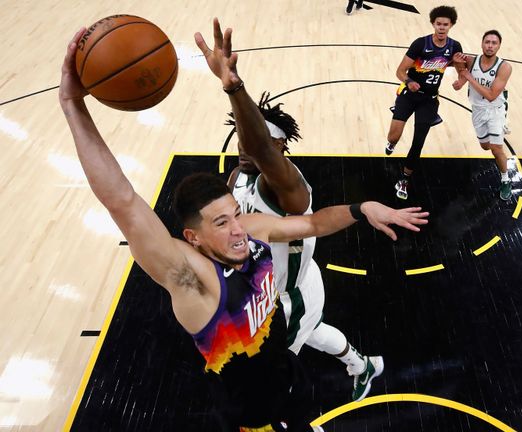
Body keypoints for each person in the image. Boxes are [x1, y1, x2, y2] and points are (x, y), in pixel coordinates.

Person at [60, 23, 428, 431]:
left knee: (302, 371)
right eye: (223, 221)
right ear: (192, 238)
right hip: (252, 412)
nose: (239, 229)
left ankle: (351, 371)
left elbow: (311, 221)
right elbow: (122, 201)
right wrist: (73, 105)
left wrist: (362, 208)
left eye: (236, 214)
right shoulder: (191, 279)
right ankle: (355, 368)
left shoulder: (261, 215)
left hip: (286, 355)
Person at [194, 19, 383, 401]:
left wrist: (233, 86)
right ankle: (363, 365)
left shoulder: (287, 189)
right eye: (244, 137)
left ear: (280, 148)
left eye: (261, 140)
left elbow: (261, 150)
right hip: (264, 291)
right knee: (312, 334)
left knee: (275, 371)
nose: (248, 146)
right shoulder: (236, 178)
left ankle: (290, 418)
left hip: (289, 297)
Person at [384, 5, 464, 200]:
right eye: (439, 24)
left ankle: (404, 179)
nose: (442, 27)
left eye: (446, 24)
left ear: (451, 25)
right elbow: (400, 71)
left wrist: (460, 79)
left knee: (418, 141)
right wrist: (409, 81)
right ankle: (391, 143)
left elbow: (460, 67)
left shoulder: (454, 46)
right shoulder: (420, 44)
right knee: (394, 137)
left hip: (429, 100)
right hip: (409, 95)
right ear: (433, 24)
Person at [452, 30, 514, 200]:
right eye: (487, 42)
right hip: (477, 109)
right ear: (481, 43)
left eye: (494, 43)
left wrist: (468, 78)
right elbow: (462, 74)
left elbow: (491, 95)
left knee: (496, 149)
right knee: (485, 146)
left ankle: (505, 180)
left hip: (495, 109)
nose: (490, 45)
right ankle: (500, 129)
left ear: (499, 46)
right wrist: (460, 74)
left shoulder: (505, 67)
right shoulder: (473, 61)